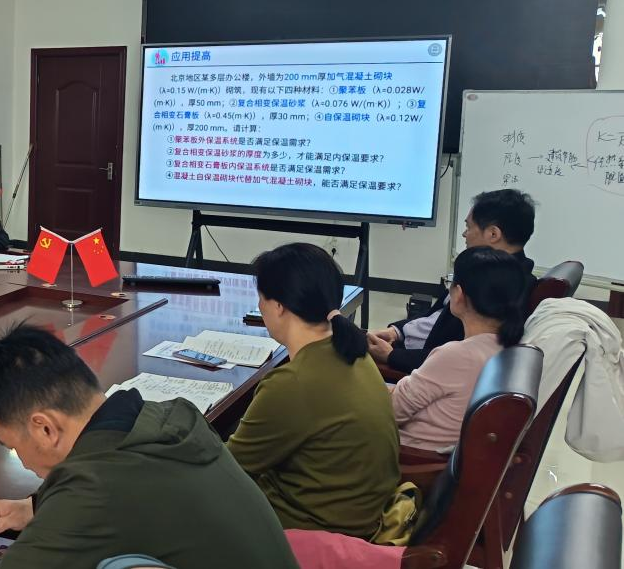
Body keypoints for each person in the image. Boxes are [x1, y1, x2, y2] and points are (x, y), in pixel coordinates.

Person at [0, 324, 299, 569]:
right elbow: (128, 494)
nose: (20, 458)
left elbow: (99, 495)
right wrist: (36, 506)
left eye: (13, 445)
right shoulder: (167, 418)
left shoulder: (93, 491)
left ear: (45, 428)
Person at [226, 243, 399, 538]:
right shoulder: (352, 351)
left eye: (261, 298)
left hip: (311, 529)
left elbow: (228, 469)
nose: (260, 306)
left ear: (278, 306)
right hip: (357, 513)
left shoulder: (291, 383)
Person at [368, 189, 536, 373]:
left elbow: (458, 357)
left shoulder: (503, 288)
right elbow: (433, 316)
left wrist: (391, 356)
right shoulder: (480, 269)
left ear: (493, 234)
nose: (464, 234)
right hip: (410, 348)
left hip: (420, 365)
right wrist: (397, 331)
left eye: (469, 227)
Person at [389, 246, 527, 451]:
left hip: (407, 453)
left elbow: (393, 412)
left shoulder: (457, 356)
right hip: (444, 452)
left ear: (459, 294)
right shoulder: (511, 349)